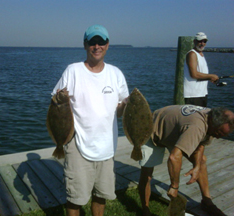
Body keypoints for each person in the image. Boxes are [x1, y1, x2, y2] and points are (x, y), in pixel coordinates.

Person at [51, 24, 129, 216]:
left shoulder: (116, 74)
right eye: (92, 42)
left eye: (101, 42)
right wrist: (60, 96)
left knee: (101, 194)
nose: (97, 46)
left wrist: (127, 106)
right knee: (75, 199)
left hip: (107, 147)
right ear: (85, 45)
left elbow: (121, 112)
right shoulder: (73, 71)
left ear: (108, 45)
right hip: (78, 145)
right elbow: (55, 103)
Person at [138, 105, 234, 216]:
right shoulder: (197, 126)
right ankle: (145, 211)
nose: (217, 137)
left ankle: (207, 202)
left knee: (201, 160)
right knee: (147, 174)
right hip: (152, 129)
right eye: (218, 134)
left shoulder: (212, 119)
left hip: (175, 131)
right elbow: (174, 158)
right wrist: (174, 186)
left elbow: (201, 142)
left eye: (222, 135)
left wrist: (197, 166)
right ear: (213, 125)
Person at [184, 32, 219, 107]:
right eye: (200, 41)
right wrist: (211, 76)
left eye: (204, 41)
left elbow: (200, 74)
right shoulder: (192, 54)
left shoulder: (201, 55)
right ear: (194, 41)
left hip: (202, 94)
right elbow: (194, 74)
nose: (202, 43)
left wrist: (209, 78)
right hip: (192, 95)